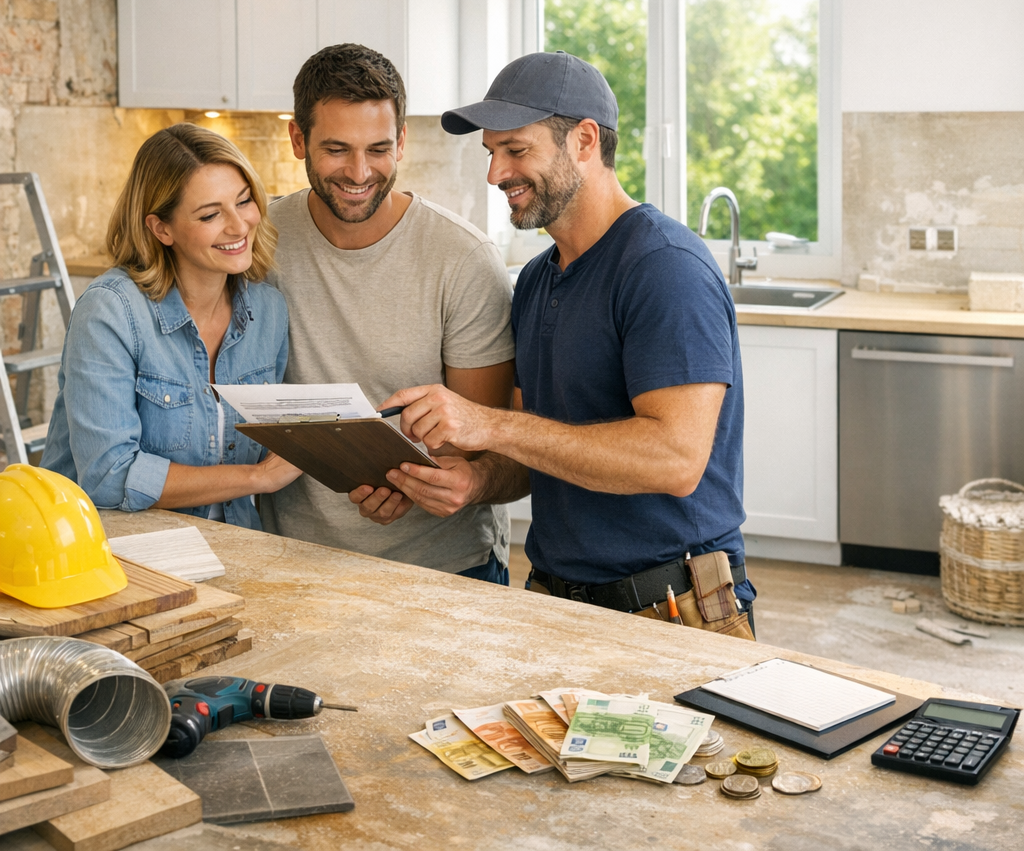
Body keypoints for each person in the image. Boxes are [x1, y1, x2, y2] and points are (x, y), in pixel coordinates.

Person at [374, 51, 757, 633]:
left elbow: (676, 459)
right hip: (555, 597)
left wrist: (488, 424)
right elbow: (541, 448)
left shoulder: (664, 267)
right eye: (492, 153)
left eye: (516, 151)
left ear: (583, 140)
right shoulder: (535, 279)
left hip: (674, 611)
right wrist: (476, 480)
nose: (495, 173)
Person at [260, 44, 516, 584]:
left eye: (378, 148)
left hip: (445, 566)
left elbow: (482, 437)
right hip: (293, 557)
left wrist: (412, 481)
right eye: (336, 149)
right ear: (298, 140)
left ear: (401, 141)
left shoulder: (462, 259)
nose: (359, 171)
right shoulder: (258, 241)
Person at [41, 124, 300, 527]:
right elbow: (108, 476)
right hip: (114, 552)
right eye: (211, 214)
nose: (238, 225)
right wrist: (257, 477)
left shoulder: (267, 310)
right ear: (161, 228)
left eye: (244, 201)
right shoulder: (111, 313)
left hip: (238, 544)